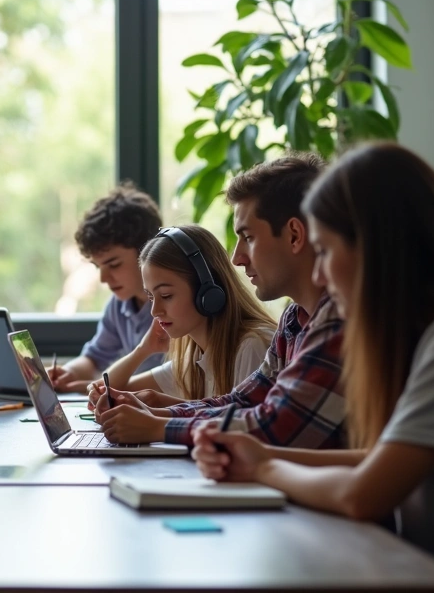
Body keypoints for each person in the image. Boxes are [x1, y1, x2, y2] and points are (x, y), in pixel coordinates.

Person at [193, 143, 434, 590]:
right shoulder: (432, 330)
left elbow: (363, 495)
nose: (318, 276)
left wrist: (262, 468)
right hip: (433, 569)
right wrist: (260, 456)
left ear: (375, 246)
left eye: (324, 252)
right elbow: (381, 461)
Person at [92, 153, 348, 448]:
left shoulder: (338, 318)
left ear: (294, 235)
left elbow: (276, 425)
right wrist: (159, 415)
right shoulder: (294, 319)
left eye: (248, 237)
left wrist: (159, 427)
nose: (237, 258)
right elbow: (244, 401)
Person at [93, 224, 275, 411]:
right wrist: (143, 349)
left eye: (166, 296)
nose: (155, 311)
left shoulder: (252, 346)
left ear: (207, 293)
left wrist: (165, 409)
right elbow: (110, 392)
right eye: (150, 297)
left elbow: (244, 425)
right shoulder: (195, 357)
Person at [49, 183, 165, 393]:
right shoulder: (118, 305)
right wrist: (69, 373)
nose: (103, 278)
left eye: (114, 264)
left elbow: (176, 381)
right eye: (97, 266)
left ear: (148, 251)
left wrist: (104, 387)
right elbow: (94, 358)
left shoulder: (175, 303)